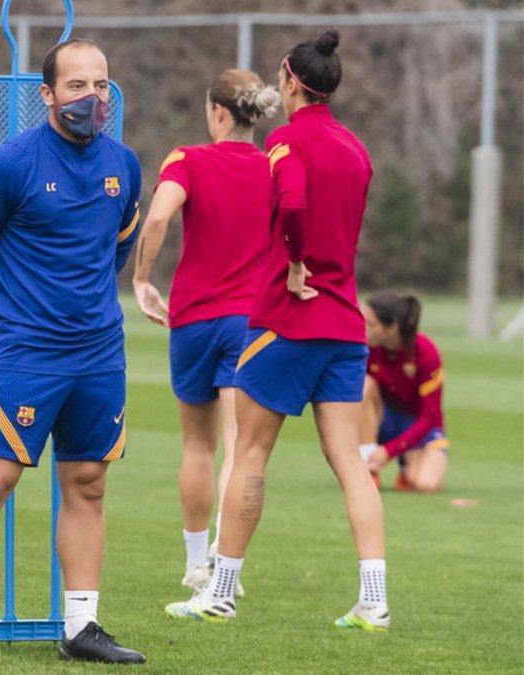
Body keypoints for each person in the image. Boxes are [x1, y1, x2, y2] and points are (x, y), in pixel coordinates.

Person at [0, 38, 145, 664]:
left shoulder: (123, 164)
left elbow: (115, 251)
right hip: (26, 351)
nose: (91, 98)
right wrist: (10, 312)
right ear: (47, 94)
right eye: (77, 86)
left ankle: (81, 627)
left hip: (99, 351)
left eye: (101, 85)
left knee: (90, 481)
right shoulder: (9, 164)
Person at [166, 30, 391, 632]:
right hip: (345, 323)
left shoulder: (288, 140)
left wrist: (294, 264)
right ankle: (375, 597)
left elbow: (292, 204)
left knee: (250, 452)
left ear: (290, 81)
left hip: (289, 322)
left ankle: (221, 591)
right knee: (349, 461)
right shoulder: (356, 147)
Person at [131, 69, 278, 609]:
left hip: (192, 319)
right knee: (241, 449)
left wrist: (143, 278)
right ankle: (225, 566)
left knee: (197, 444)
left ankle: (197, 566)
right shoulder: (273, 166)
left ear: (217, 112)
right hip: (251, 320)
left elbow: (159, 218)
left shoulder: (187, 159)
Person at [360, 292, 449, 492]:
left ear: (392, 328)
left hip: (419, 426)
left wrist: (389, 451)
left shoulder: (425, 352)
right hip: (382, 420)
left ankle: (406, 466)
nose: (364, 330)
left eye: (371, 325)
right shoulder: (365, 348)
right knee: (363, 385)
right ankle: (368, 470)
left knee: (425, 484)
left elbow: (429, 417)